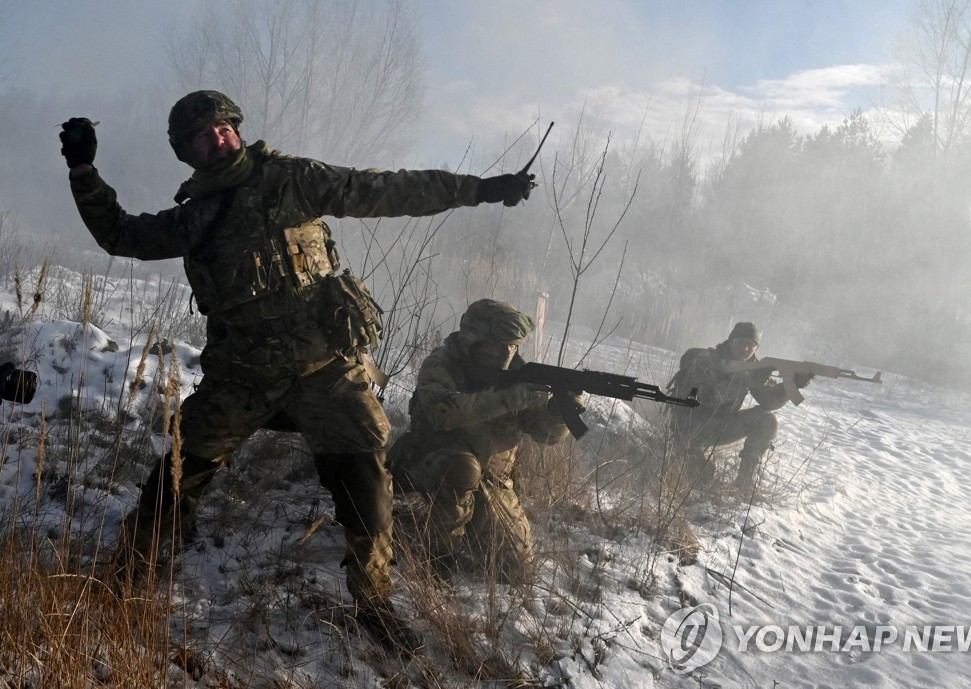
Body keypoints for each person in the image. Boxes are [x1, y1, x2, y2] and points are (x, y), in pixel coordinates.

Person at [58, 91, 537, 651]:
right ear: (186, 153)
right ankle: (128, 572)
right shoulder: (194, 218)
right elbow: (121, 235)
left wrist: (480, 190)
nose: (216, 140)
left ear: (236, 130)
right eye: (201, 137)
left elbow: (384, 191)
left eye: (222, 130)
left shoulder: (290, 180)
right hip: (243, 375)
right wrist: (83, 170)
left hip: (324, 370)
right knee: (178, 471)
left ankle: (372, 602)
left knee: (366, 480)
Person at [387, 299, 581, 584]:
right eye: (496, 345)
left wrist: (561, 412)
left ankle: (463, 523)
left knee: (516, 571)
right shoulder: (442, 364)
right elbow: (443, 414)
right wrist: (509, 398)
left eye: (512, 346)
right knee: (461, 469)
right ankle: (438, 561)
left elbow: (544, 433)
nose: (506, 353)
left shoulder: (521, 375)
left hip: (492, 478)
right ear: (471, 340)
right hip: (429, 458)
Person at [664, 322, 812, 499]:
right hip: (689, 428)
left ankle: (744, 485)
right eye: (742, 342)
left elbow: (769, 402)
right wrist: (743, 379)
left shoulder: (754, 368)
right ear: (731, 341)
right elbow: (705, 399)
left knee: (767, 420)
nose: (746, 349)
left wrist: (792, 385)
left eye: (752, 345)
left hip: (720, 427)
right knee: (700, 478)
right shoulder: (706, 359)